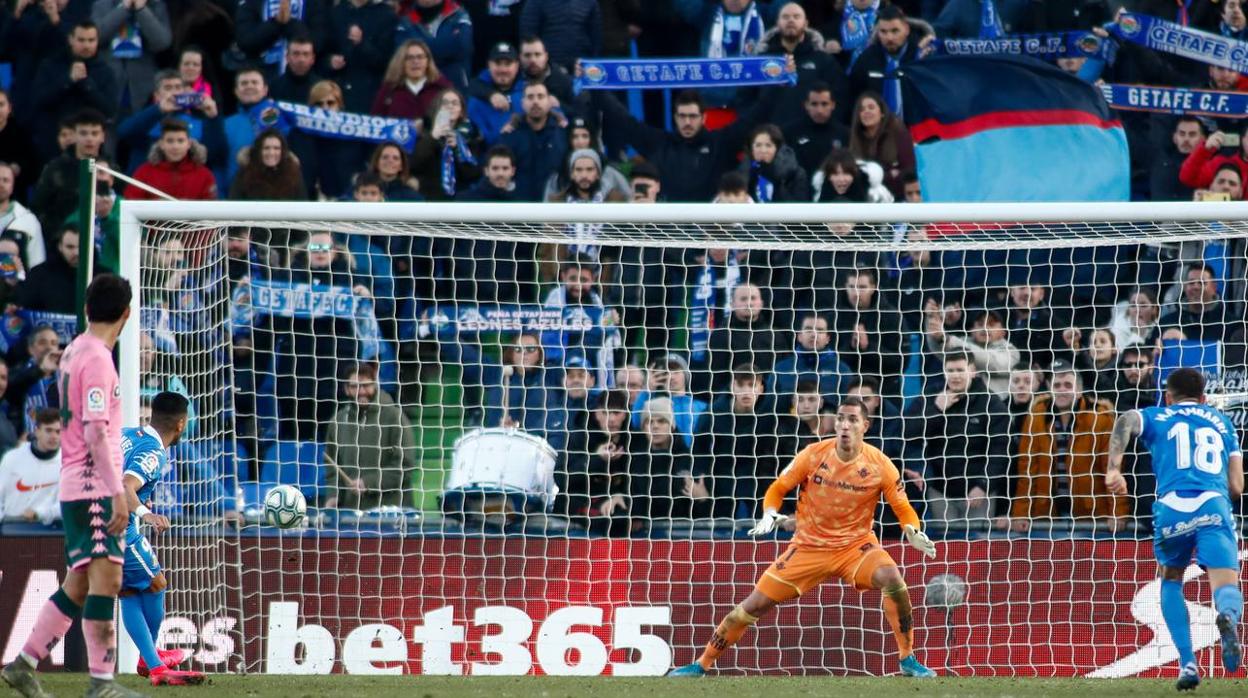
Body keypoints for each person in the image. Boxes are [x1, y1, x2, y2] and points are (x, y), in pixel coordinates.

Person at [667, 397, 938, 678]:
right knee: (752, 606)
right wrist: (770, 512)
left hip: (855, 546)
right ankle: (702, 664)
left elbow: (903, 508)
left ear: (865, 426)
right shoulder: (813, 454)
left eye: (853, 419)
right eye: (841, 418)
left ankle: (907, 659)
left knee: (893, 579)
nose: (844, 425)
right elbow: (778, 487)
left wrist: (911, 530)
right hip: (808, 546)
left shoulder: (881, 465)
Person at [0, 274, 138, 698]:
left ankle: (22, 665)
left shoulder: (75, 350)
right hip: (95, 485)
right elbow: (96, 431)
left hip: (77, 481)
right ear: (127, 315)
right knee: (107, 581)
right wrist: (117, 491)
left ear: (86, 310)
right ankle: (101, 684)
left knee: (78, 584)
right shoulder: (96, 358)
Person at [1105, 367, 1244, 691]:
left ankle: (1187, 664)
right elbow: (1236, 486)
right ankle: (1226, 614)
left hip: (1171, 511)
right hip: (1212, 505)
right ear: (1204, 397)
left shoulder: (1158, 416)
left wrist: (1114, 468)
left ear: (1168, 396)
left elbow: (1126, 420)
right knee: (1225, 582)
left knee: (1170, 580)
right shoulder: (1222, 423)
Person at [116, 391, 204, 686]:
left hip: (92, 521)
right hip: (120, 529)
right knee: (156, 584)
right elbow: (126, 484)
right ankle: (152, 663)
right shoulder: (154, 453)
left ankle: (151, 659)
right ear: (181, 424)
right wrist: (145, 512)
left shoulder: (128, 433)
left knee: (129, 591)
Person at [1000, 360, 1126, 533]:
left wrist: (1117, 513)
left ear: (1079, 390)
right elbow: (1027, 470)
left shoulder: (1101, 418)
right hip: (1047, 513)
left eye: (1068, 385)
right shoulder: (1036, 416)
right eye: (1057, 385)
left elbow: (1112, 469)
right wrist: (1021, 513)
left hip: (1091, 514)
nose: (1062, 389)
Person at [903, 351, 1010, 523]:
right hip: (940, 492)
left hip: (978, 494)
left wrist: (983, 485)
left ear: (973, 371)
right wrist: (936, 410)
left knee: (978, 546)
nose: (955, 376)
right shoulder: (931, 397)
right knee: (944, 546)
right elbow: (907, 433)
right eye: (950, 370)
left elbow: (1001, 450)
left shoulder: (991, 403)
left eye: (960, 370)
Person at [323, 362, 418, 510]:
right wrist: (333, 495)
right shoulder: (337, 421)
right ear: (346, 389)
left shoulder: (395, 418)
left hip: (392, 514)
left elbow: (405, 465)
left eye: (366, 385)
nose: (361, 391)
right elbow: (332, 468)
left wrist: (368, 483)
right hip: (351, 514)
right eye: (354, 386)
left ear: (375, 385)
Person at [30, 21, 119, 158]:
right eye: (81, 40)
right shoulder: (51, 65)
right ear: (71, 39)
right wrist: (68, 81)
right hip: (53, 141)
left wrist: (87, 84)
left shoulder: (105, 71)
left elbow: (109, 109)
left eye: (91, 40)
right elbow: (39, 100)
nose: (86, 45)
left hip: (91, 146)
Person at [91, 0, 172, 117]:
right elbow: (96, 37)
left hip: (143, 86)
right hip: (110, 82)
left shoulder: (155, 5)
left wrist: (141, 10)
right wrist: (123, 9)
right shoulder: (102, 4)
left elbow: (162, 42)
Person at [324, 0, 396, 114]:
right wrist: (330, 61)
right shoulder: (336, 12)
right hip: (337, 92)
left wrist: (362, 44)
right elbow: (323, 51)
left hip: (368, 95)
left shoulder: (386, 15)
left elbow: (386, 61)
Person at [500, 81, 567, 202]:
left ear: (549, 102)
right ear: (522, 103)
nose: (535, 101)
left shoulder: (563, 134)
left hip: (555, 211)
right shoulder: (510, 136)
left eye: (540, 97)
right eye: (530, 97)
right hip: (520, 210)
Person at [411, 87, 482, 200]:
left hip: (459, 198)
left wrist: (458, 148)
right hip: (428, 196)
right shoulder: (422, 133)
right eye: (445, 103)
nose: (450, 106)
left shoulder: (470, 136)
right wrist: (432, 137)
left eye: (455, 103)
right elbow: (413, 164)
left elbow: (472, 174)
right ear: (436, 108)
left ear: (461, 111)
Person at [125, 118, 217, 200]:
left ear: (189, 144)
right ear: (161, 144)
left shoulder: (205, 175)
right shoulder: (144, 173)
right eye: (170, 141)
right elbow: (131, 204)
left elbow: (211, 212)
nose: (175, 146)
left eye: (180, 141)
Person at [0, 408, 62, 525]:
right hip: (11, 530)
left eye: (58, 431)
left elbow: (66, 506)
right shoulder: (12, 458)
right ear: (37, 431)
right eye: (48, 430)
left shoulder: (67, 464)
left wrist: (39, 513)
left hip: (50, 534)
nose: (54, 436)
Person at [847, 91, 914, 199]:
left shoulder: (899, 135)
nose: (866, 111)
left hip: (896, 200)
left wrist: (878, 177)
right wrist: (889, 174)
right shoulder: (854, 138)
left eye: (871, 107)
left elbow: (908, 170)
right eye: (862, 109)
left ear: (882, 112)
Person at [397, 0, 473, 90]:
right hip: (417, 87)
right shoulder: (405, 21)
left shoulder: (459, 16)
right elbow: (402, 52)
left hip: (453, 87)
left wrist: (421, 48)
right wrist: (440, 46)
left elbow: (462, 47)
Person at [371, 39, 452, 121]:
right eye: (409, 58)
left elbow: (448, 122)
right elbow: (376, 121)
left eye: (420, 57)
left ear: (428, 61)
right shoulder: (388, 89)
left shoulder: (442, 88)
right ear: (401, 62)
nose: (415, 62)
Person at [782, 82, 849, 176]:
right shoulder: (790, 132)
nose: (819, 110)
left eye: (824, 104)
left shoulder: (844, 134)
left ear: (833, 105)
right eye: (814, 104)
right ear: (806, 105)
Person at [1159, 262, 1235, 342]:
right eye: (1191, 283)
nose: (1196, 287)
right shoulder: (1166, 323)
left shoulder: (1231, 325)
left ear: (1214, 287)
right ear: (1185, 287)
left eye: (1202, 283)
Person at [466, 41, 525, 146]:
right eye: (497, 63)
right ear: (489, 65)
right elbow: (476, 141)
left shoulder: (529, 93)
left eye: (508, 64)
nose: (502, 69)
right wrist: (501, 136)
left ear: (517, 66)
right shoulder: (476, 101)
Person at [519, 0, 601, 71]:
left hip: (582, 66)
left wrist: (592, 63)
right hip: (549, 68)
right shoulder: (535, 2)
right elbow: (528, 36)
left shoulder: (590, 2)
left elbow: (596, 37)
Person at [737, 124, 809, 203]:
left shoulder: (795, 174)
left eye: (768, 145)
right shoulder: (742, 173)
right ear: (751, 149)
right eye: (758, 145)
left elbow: (799, 208)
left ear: (777, 149)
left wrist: (776, 181)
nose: (763, 150)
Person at [228, 128, 306, 200]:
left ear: (283, 151)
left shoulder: (293, 174)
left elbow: (303, 205)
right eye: (266, 148)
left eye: (276, 148)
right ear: (259, 151)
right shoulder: (245, 173)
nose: (271, 153)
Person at [19, 226, 82, 314]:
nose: (76, 253)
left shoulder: (102, 278)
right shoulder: (39, 275)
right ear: (60, 247)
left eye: (81, 247)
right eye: (70, 247)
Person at [1152, 116, 1204, 202]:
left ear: (1202, 139)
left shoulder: (1210, 164)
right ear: (1175, 137)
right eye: (1182, 134)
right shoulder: (1158, 159)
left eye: (1192, 134)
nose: (1186, 139)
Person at [0, 162, 42, 267]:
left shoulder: (28, 220)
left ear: (12, 186)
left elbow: (37, 263)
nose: (0, 184)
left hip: (16, 281)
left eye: (5, 180)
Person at [268, 34, 321, 104]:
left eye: (306, 54)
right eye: (296, 54)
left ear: (313, 59)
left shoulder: (321, 87)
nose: (301, 59)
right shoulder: (274, 87)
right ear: (287, 57)